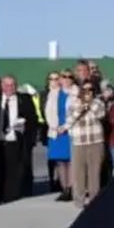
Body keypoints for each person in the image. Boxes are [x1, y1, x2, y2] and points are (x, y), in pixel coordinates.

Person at [0, 76, 38, 204]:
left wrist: (26, 127)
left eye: (12, 85)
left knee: (15, 169)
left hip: (16, 139)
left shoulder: (24, 99)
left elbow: (33, 120)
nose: (9, 88)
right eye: (6, 85)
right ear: (2, 86)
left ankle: (12, 196)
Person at [68, 81, 107, 207]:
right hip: (79, 141)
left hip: (95, 140)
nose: (87, 92)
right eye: (85, 89)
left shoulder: (98, 102)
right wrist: (81, 107)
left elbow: (100, 115)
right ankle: (79, 200)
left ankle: (94, 200)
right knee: (78, 173)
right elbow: (70, 119)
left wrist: (90, 103)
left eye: (90, 89)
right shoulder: (73, 103)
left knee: (94, 172)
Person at [46, 72, 77, 202]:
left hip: (70, 130)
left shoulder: (76, 93)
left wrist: (65, 126)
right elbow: (48, 111)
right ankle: (64, 188)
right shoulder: (54, 93)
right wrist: (54, 126)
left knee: (70, 161)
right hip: (56, 130)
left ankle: (70, 189)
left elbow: (77, 111)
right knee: (60, 161)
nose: (66, 79)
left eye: (69, 77)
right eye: (63, 77)